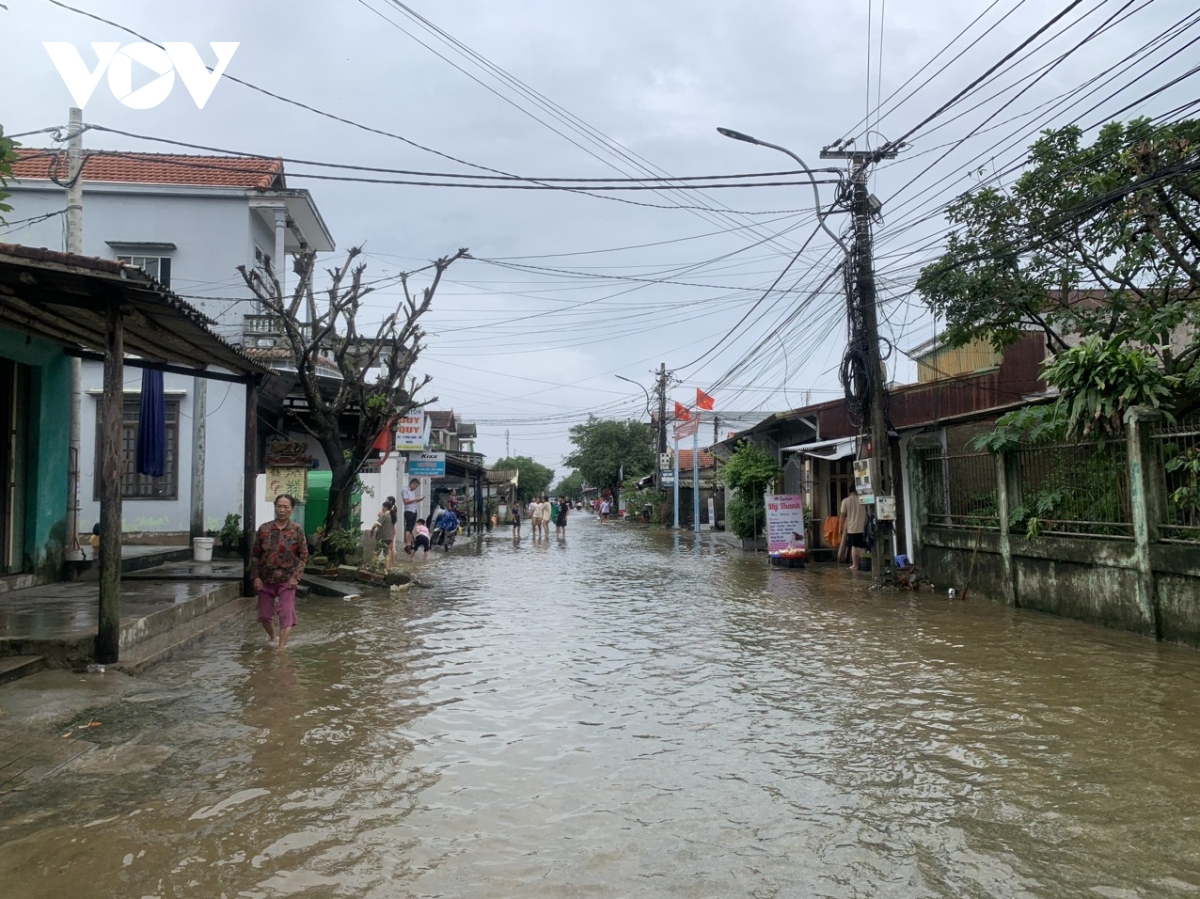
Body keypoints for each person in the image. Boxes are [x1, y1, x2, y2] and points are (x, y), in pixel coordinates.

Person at [251, 494, 309, 650]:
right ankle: (273, 637)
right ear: (275, 507)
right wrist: (256, 577)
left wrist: (296, 577)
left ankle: (281, 647)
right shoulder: (264, 528)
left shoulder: (297, 530)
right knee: (264, 615)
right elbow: (255, 554)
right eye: (279, 506)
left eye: (286, 507)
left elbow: (303, 555)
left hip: (287, 580)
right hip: (265, 579)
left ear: (292, 509)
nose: (282, 510)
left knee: (286, 613)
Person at [839, 491, 868, 571]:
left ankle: (855, 565)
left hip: (852, 528)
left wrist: (840, 527)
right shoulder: (864, 499)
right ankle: (863, 564)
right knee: (863, 546)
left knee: (854, 547)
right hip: (864, 527)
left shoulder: (846, 501)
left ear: (850, 491)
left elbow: (842, 515)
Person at [372, 498, 397, 568]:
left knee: (376, 552)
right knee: (386, 554)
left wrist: (371, 531)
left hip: (382, 537)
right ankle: (387, 568)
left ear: (386, 507)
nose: (382, 508)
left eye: (382, 507)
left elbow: (375, 525)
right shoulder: (393, 516)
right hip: (389, 538)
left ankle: (372, 567)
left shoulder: (384, 516)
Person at [401, 478, 422, 552]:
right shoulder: (405, 490)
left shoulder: (412, 491)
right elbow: (406, 501)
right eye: (415, 486)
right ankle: (407, 544)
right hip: (409, 511)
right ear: (412, 484)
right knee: (408, 528)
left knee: (411, 528)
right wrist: (416, 499)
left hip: (414, 510)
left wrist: (417, 500)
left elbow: (412, 501)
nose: (416, 488)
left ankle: (410, 544)